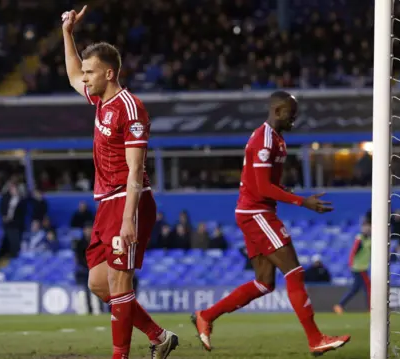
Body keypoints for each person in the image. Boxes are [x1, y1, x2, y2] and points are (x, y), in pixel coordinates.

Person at [191, 91, 350, 356]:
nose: (294, 119)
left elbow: (265, 182)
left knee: (264, 282)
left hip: (255, 210)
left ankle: (206, 316)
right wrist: (302, 201)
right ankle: (315, 339)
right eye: (291, 113)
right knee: (295, 272)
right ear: (277, 111)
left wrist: (284, 190)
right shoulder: (265, 140)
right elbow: (263, 187)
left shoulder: (278, 140)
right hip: (256, 212)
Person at [61, 6, 178, 359]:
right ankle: (159, 336)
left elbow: (135, 169)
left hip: (129, 200)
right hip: (106, 202)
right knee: (98, 283)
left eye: (90, 72)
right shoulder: (100, 100)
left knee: (119, 281)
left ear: (109, 73)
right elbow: (70, 75)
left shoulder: (131, 108)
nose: (84, 77)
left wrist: (128, 218)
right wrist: (67, 34)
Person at [334, 213, 371, 314]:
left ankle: (339, 305)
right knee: (368, 287)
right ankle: (370, 309)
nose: (368, 228)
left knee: (355, 289)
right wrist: (350, 263)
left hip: (362, 267)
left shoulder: (368, 238)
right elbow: (353, 251)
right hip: (359, 267)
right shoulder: (360, 238)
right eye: (366, 226)